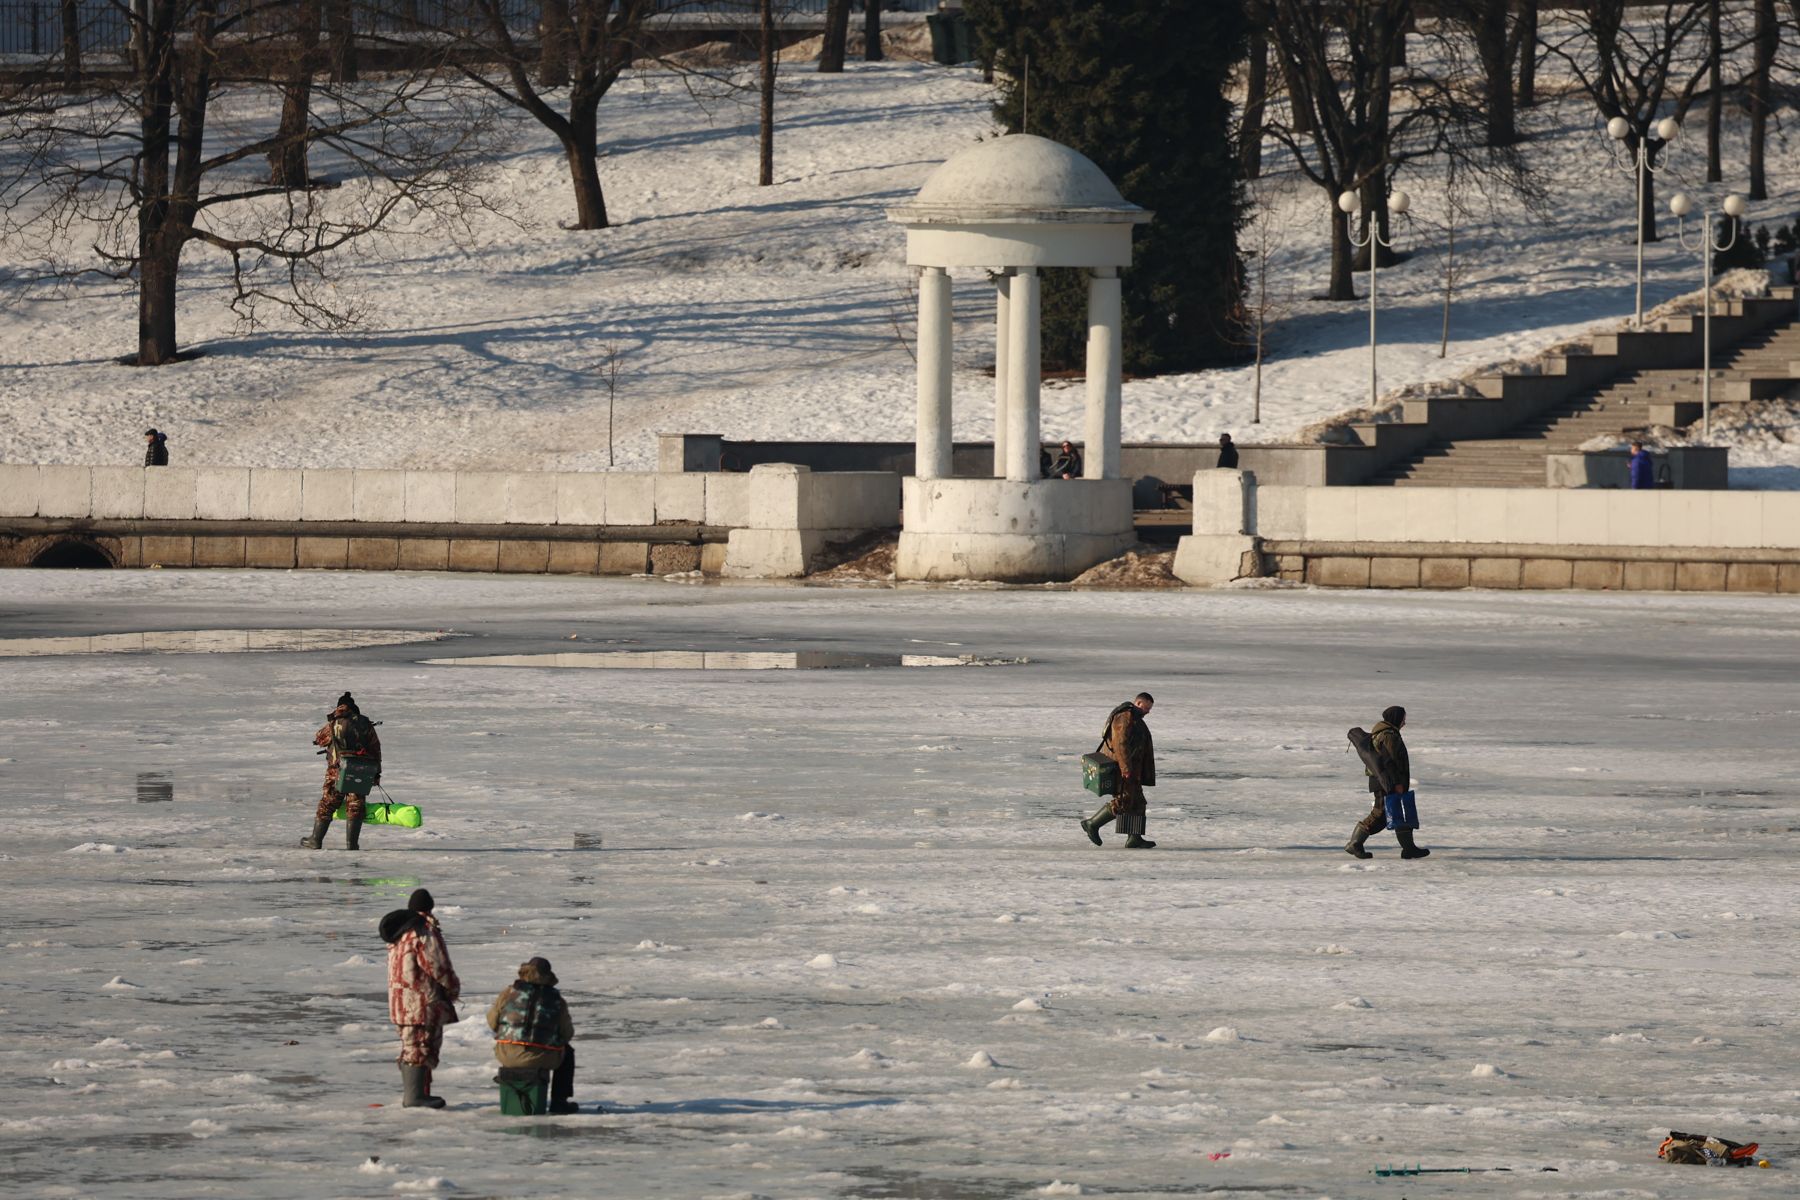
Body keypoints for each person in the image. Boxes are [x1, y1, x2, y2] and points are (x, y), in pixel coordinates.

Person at [382, 888, 461, 1109]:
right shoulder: (424, 931)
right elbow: (437, 965)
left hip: (400, 1002)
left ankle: (419, 1094)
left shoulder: (399, 933)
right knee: (421, 1046)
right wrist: (453, 988)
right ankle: (415, 1097)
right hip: (421, 1002)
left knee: (411, 1045)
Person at [488, 956, 581, 1115]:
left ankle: (512, 1096)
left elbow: (492, 1021)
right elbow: (567, 1033)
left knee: (509, 1045)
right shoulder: (557, 999)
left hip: (506, 1054)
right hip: (541, 1057)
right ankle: (559, 1102)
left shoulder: (508, 993)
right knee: (568, 1053)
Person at [1346, 705, 1429, 860]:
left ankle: (1409, 848)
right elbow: (1389, 762)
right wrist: (1396, 783)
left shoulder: (1387, 733)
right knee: (1379, 814)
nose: (1404, 722)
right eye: (1403, 719)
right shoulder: (1388, 736)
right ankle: (1355, 844)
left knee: (1398, 812)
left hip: (1386, 781)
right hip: (1385, 782)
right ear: (1395, 718)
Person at [303, 691, 380, 851]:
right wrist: (376, 774)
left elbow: (319, 739)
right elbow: (375, 749)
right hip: (360, 771)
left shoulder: (333, 723)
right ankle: (352, 844)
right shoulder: (365, 723)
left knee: (327, 804)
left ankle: (315, 840)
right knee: (355, 806)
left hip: (336, 771)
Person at [1079, 693, 1157, 849]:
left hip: (1132, 769)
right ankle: (1092, 824)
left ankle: (1134, 838)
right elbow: (1120, 743)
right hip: (1122, 768)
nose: (1148, 712)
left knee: (1138, 801)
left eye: (1149, 709)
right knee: (1123, 801)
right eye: (1146, 708)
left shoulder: (1135, 718)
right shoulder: (1124, 716)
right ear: (1138, 703)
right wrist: (1125, 768)